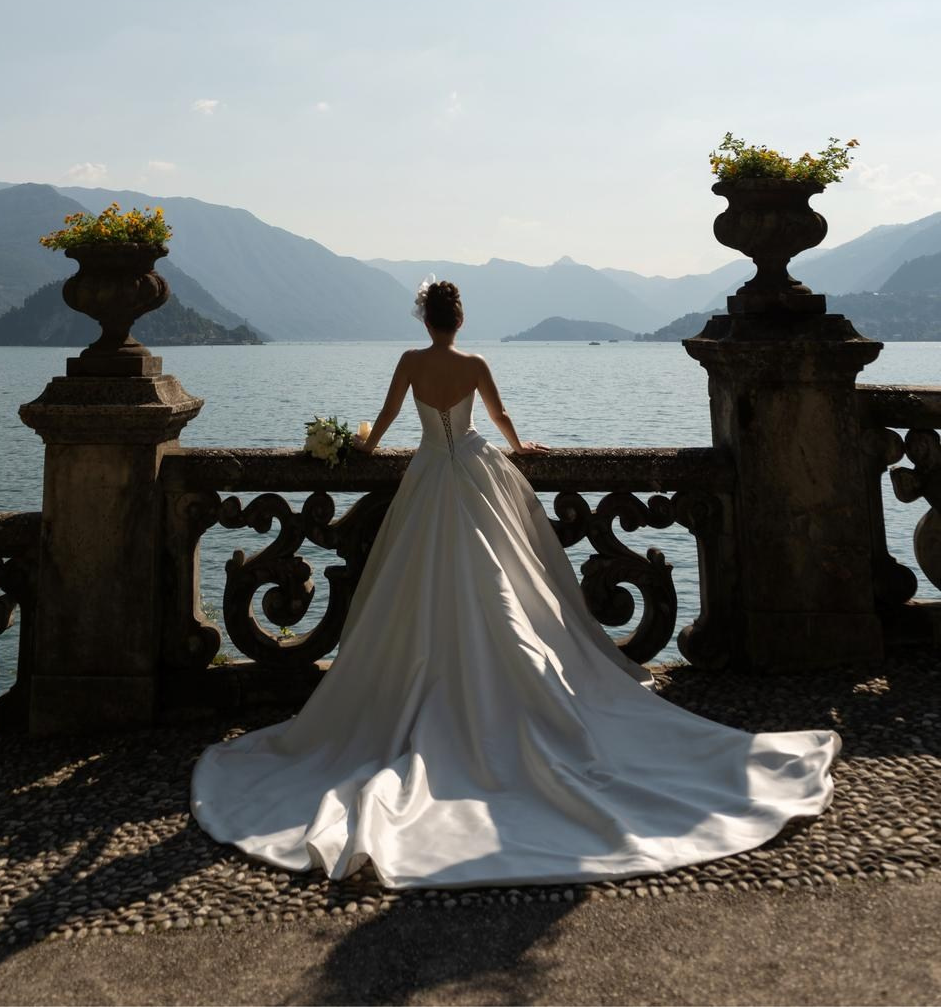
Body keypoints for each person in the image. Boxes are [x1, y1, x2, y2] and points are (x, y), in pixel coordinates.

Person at [191, 279, 840, 889]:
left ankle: (433, 687)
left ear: (425, 319)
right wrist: (519, 445)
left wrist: (351, 445)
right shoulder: (473, 363)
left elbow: (386, 421)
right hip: (475, 472)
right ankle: (507, 692)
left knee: (416, 590)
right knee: (502, 584)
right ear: (461, 318)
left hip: (427, 479)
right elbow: (499, 418)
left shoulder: (412, 363)